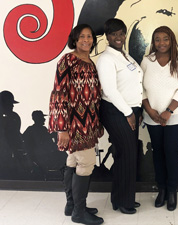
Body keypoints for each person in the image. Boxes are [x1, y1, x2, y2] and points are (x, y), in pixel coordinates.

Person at [48, 24, 104, 225]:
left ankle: (72, 205)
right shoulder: (67, 60)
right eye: (82, 37)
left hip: (88, 121)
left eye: (89, 37)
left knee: (73, 161)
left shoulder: (89, 60)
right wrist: (62, 127)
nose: (86, 40)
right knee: (86, 163)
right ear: (74, 39)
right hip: (74, 123)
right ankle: (79, 212)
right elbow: (59, 93)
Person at [141, 26, 178, 211]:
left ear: (172, 40)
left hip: (175, 115)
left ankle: (172, 191)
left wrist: (168, 111)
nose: (161, 43)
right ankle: (161, 189)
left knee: (171, 152)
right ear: (153, 42)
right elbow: (141, 87)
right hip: (151, 115)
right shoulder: (147, 60)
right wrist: (149, 109)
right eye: (157, 39)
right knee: (157, 152)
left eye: (165, 39)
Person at [96, 18, 143, 215]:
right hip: (118, 112)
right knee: (127, 156)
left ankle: (120, 197)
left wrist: (136, 109)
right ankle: (125, 201)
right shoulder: (106, 59)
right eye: (114, 33)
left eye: (121, 33)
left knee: (126, 155)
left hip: (130, 110)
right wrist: (129, 113)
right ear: (107, 36)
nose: (118, 37)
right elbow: (109, 90)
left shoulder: (125, 56)